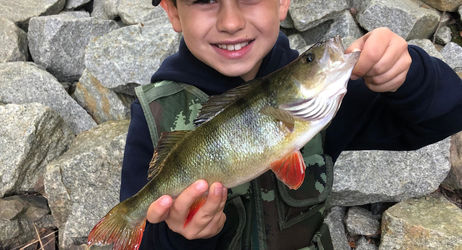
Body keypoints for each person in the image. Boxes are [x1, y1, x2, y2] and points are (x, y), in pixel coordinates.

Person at [119, 0, 462, 249]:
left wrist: (409, 76)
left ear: (283, 2)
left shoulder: (322, 101)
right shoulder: (154, 115)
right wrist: (184, 239)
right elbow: (149, 242)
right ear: (173, 12)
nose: (231, 21)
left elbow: (445, 116)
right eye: (205, 0)